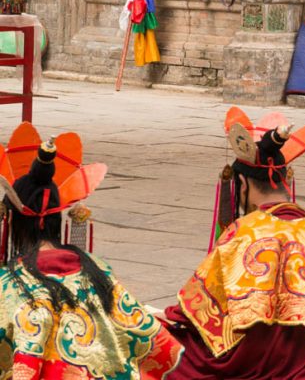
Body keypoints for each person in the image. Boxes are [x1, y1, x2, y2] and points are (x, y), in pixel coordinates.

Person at [164, 110, 305, 380]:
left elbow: (199, 313)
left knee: (171, 350)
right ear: (288, 178)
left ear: (240, 183)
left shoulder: (244, 234)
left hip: (259, 362)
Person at [0, 122, 183, 379]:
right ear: (60, 218)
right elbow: (145, 334)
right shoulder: (98, 271)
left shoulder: (8, 283)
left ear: (12, 221)